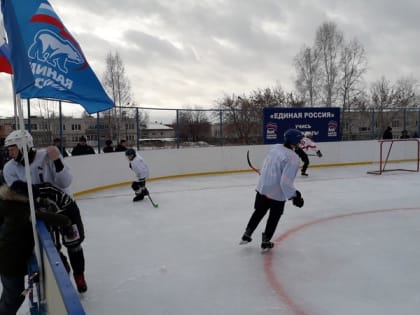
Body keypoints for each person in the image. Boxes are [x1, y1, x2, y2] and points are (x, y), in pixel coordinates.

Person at [2, 129, 88, 293]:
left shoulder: (46, 157)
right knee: (51, 248)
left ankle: (79, 275)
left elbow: (65, 182)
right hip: (41, 213)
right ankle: (63, 277)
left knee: (74, 244)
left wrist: (57, 160)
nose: (10, 153)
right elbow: (18, 196)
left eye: (12, 149)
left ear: (24, 146)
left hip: (64, 207)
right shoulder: (10, 168)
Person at [0, 182, 70, 315]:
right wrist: (65, 220)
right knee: (14, 297)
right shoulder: (22, 211)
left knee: (9, 295)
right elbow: (57, 219)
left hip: (7, 259)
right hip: (10, 263)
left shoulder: (7, 204)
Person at [240, 129, 305, 250]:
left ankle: (247, 234)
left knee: (259, 212)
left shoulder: (275, 147)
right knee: (274, 217)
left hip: (263, 187)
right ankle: (266, 241)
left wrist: (267, 176)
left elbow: (267, 165)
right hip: (276, 193)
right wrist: (295, 196)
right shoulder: (293, 158)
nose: (301, 142)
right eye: (299, 140)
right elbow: (285, 182)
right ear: (294, 141)